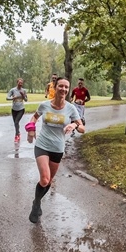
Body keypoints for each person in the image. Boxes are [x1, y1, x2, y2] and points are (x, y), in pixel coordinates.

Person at [26, 77, 84, 224]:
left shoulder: (71, 108)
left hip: (58, 148)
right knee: (44, 179)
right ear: (55, 86)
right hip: (42, 145)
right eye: (61, 86)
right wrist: (31, 130)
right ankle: (36, 206)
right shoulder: (45, 105)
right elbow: (34, 117)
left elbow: (82, 128)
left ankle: (36, 201)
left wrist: (74, 126)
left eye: (66, 87)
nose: (63, 89)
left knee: (49, 181)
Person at [6, 77, 28, 142]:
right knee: (15, 123)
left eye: (22, 83)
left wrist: (23, 95)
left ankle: (17, 135)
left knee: (16, 122)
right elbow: (7, 98)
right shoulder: (13, 90)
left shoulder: (23, 90)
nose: (20, 84)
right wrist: (13, 98)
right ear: (17, 82)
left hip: (21, 109)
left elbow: (26, 100)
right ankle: (18, 132)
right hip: (14, 109)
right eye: (19, 82)